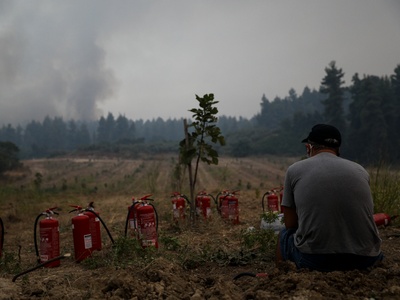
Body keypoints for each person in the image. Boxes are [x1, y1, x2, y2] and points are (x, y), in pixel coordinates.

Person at [276, 124, 383, 272]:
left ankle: (283, 277)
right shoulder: (361, 171)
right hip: (366, 260)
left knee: (284, 235)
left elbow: (290, 224)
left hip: (315, 261)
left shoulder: (294, 170)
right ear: (338, 149)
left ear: (309, 148)